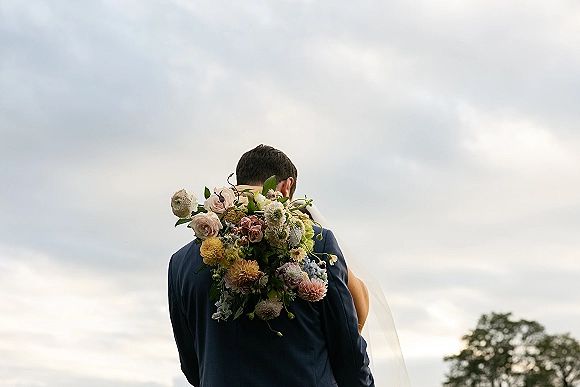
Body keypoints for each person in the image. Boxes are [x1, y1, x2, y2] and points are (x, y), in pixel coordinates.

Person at [168, 144, 375, 387]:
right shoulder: (318, 245)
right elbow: (347, 352)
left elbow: (193, 366)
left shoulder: (181, 263)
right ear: (287, 187)